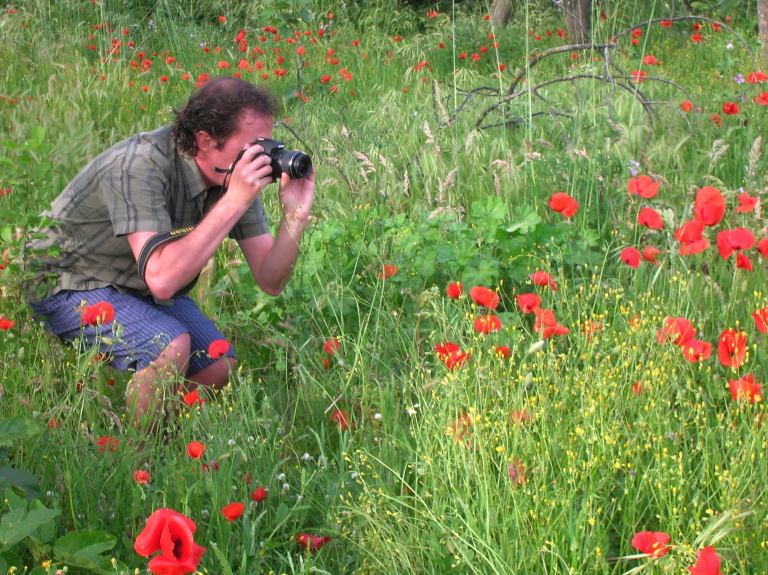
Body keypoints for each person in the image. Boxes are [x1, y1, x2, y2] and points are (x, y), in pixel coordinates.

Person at [25, 76, 315, 428]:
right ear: (205, 142)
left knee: (217, 364)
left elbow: (270, 279)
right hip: (67, 279)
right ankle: (136, 461)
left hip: (134, 279)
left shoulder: (233, 175)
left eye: (266, 145)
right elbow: (162, 281)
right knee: (169, 346)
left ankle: (155, 439)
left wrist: (295, 218)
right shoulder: (140, 165)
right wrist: (235, 200)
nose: (262, 157)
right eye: (253, 147)